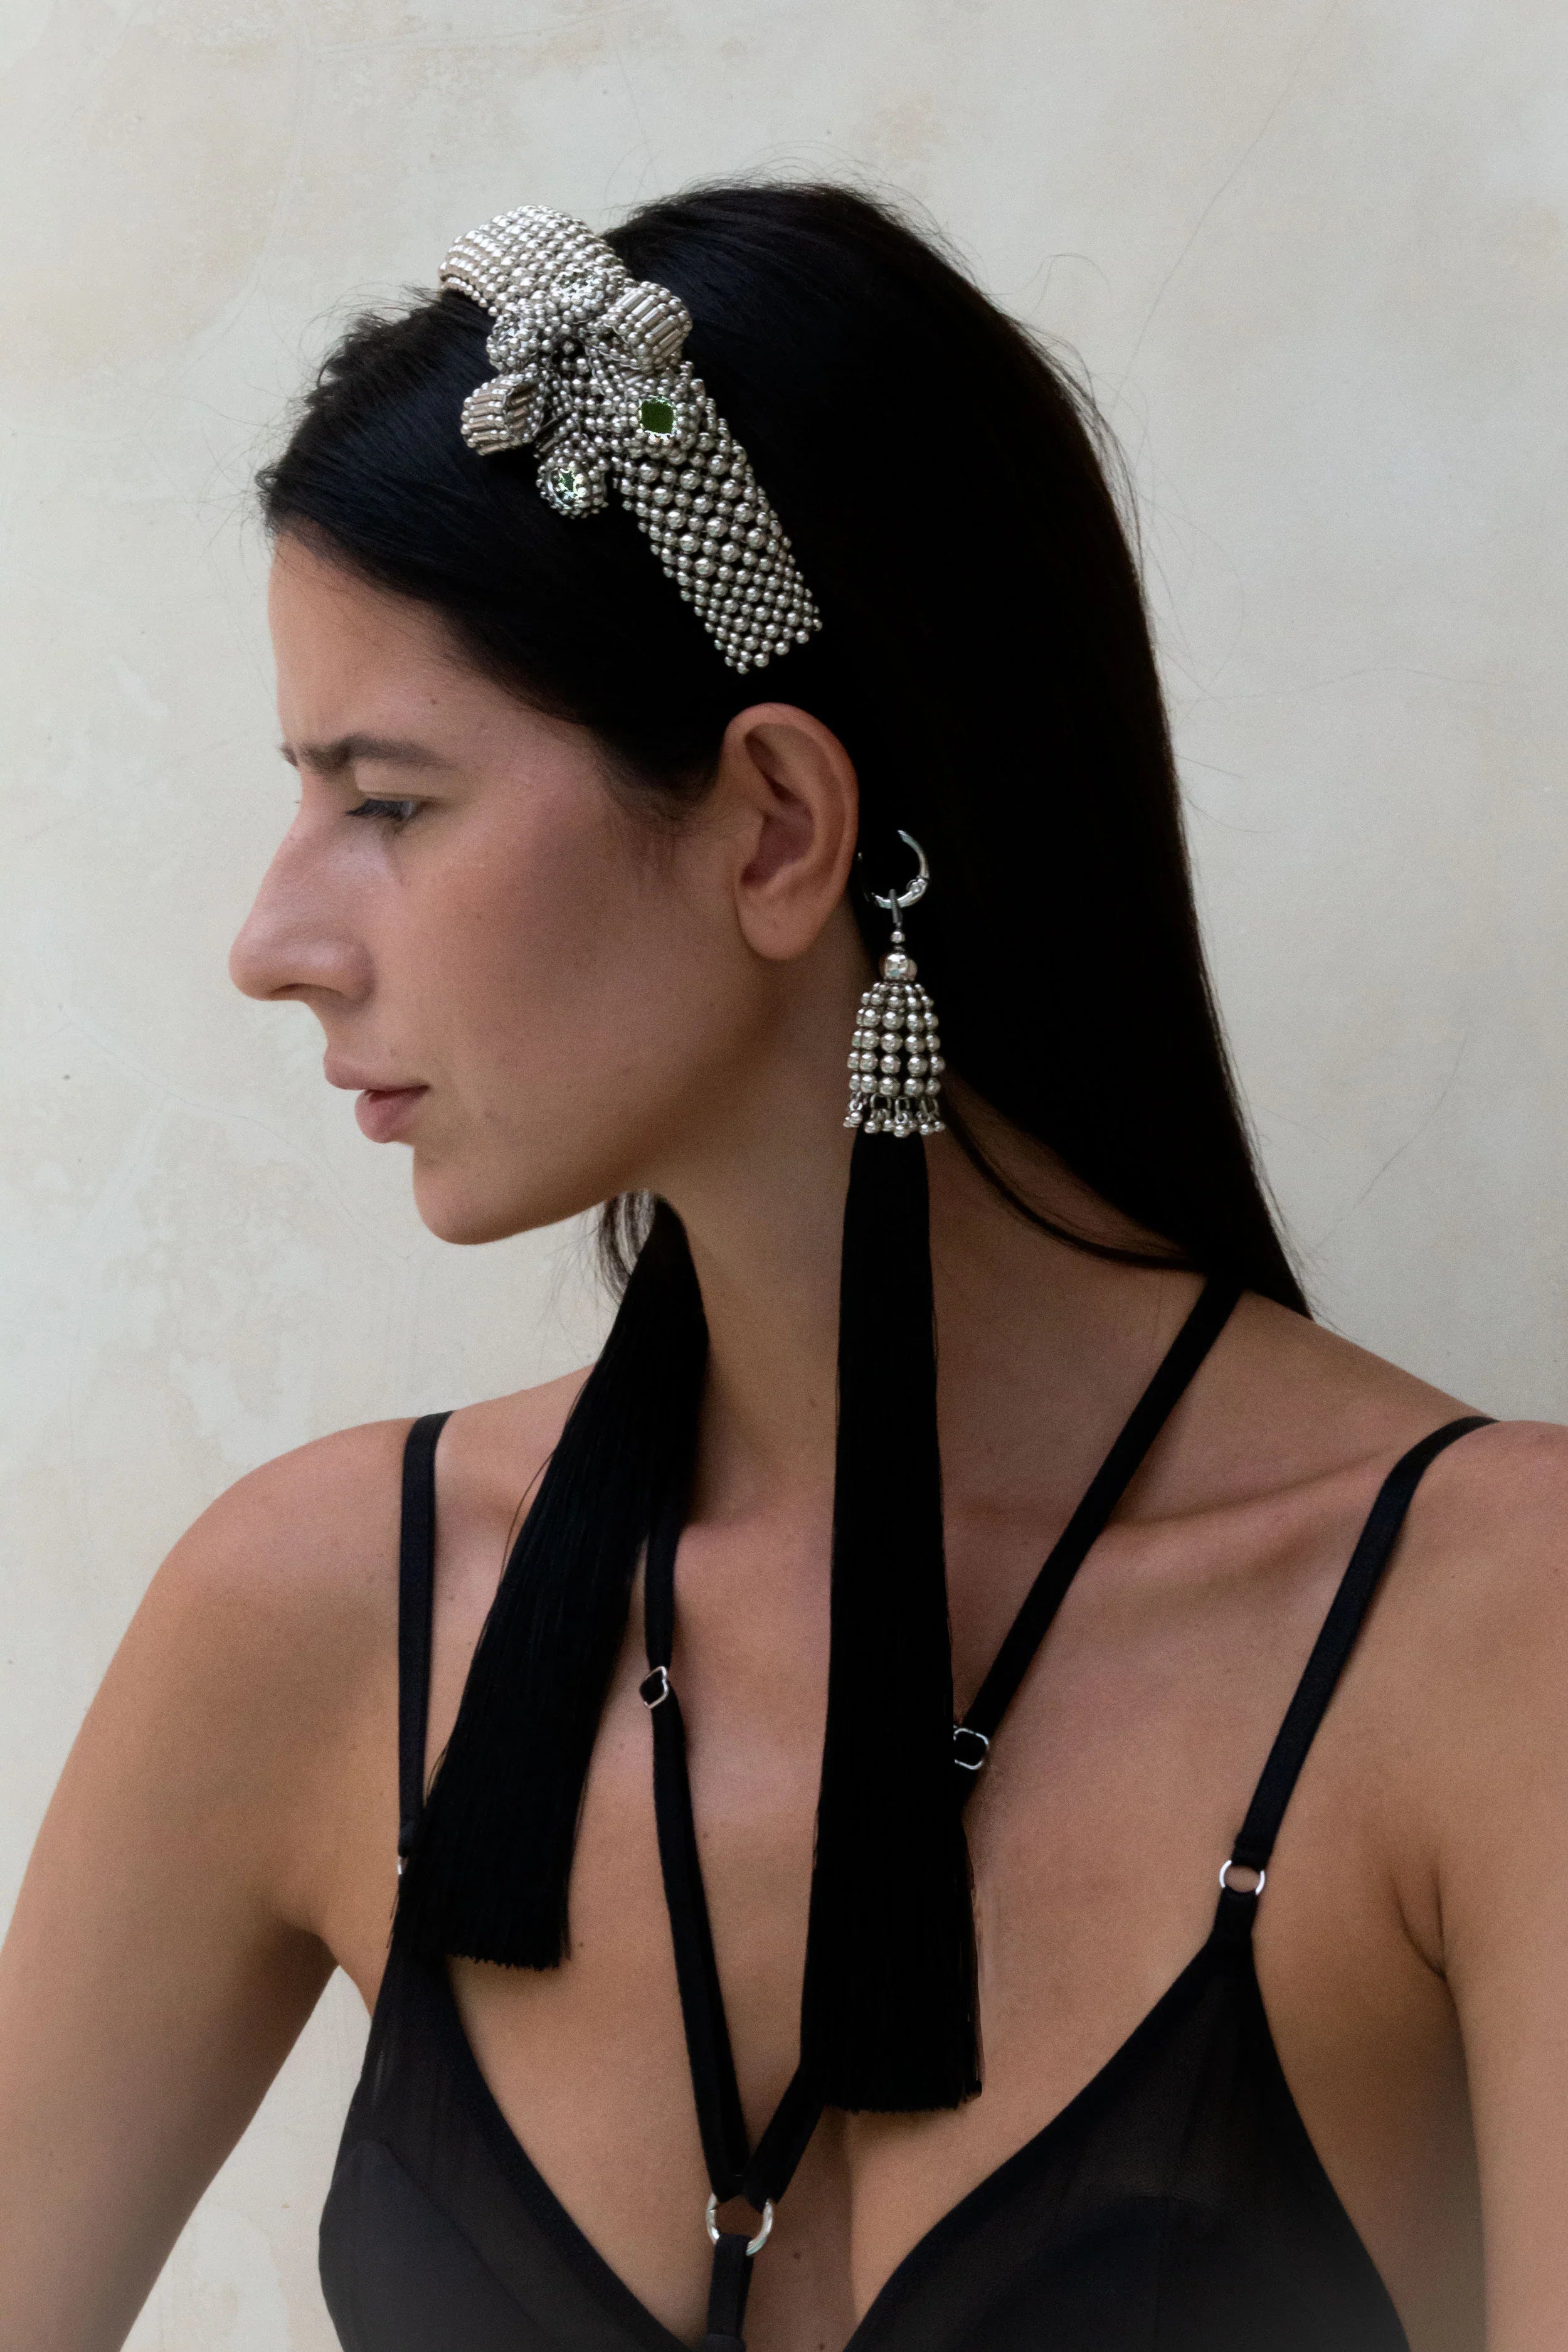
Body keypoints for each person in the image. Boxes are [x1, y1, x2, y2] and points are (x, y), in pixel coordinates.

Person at [0, 179, 1562, 2352]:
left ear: (774, 827)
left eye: (389, 801)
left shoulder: (1492, 1646)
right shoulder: (314, 1626)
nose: (273, 942)